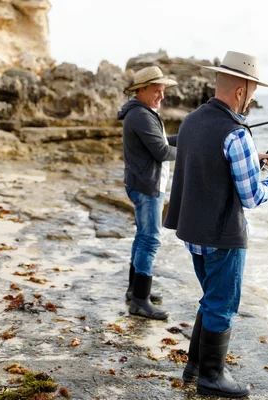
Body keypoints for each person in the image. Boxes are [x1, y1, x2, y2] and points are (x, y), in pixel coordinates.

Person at [164, 51, 268, 398]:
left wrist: (255, 158)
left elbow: (207, 159)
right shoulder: (237, 134)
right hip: (222, 236)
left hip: (192, 232)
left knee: (210, 298)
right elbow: (250, 196)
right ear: (240, 91)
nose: (251, 99)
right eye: (251, 92)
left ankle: (194, 366)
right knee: (222, 304)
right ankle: (212, 377)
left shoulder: (190, 121)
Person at [117, 66, 178, 320]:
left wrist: (187, 138)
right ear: (141, 90)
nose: (162, 97)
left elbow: (161, 142)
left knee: (143, 237)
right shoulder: (141, 115)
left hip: (141, 182)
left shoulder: (142, 112)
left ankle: (135, 291)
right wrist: (194, 153)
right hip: (146, 186)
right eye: (157, 91)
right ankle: (140, 301)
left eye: (163, 91)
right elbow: (163, 152)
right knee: (151, 239)